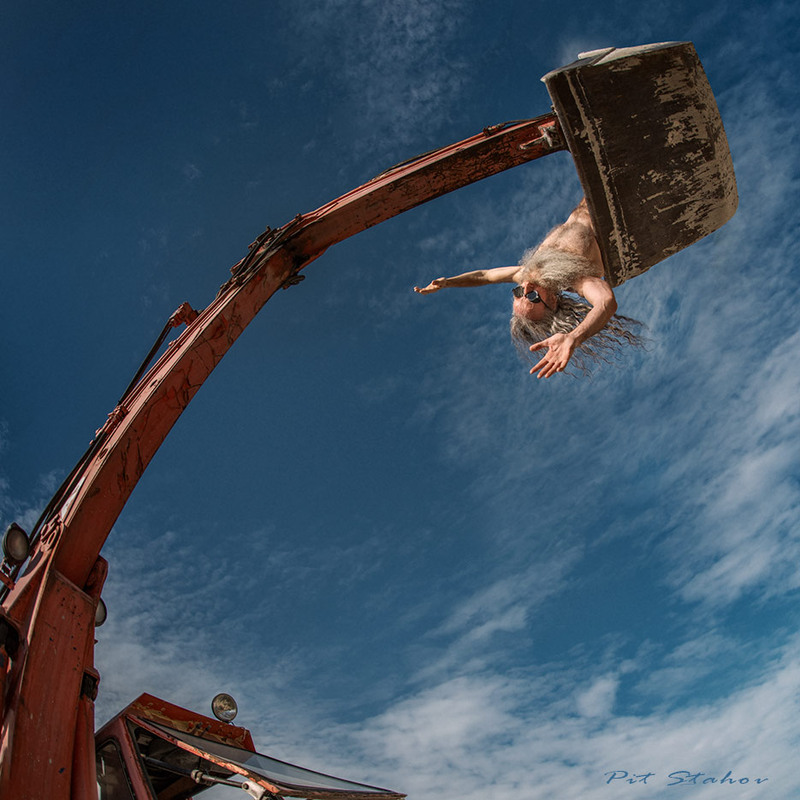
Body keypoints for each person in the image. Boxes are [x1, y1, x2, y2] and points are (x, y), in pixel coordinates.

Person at [414, 197, 644, 378]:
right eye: (532, 297)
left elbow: (484, 276)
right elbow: (606, 303)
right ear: (552, 301)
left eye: (518, 293)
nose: (526, 288)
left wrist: (448, 283)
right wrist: (574, 338)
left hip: (589, 195)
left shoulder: (526, 273)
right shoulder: (577, 279)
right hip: (618, 202)